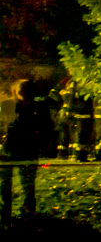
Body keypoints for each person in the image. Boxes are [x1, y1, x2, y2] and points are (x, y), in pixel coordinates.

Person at [2, 79, 54, 223]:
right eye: (22, 93)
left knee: (26, 184)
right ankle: (8, 214)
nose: (24, 97)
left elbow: (46, 127)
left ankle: (24, 214)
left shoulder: (38, 107)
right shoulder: (7, 106)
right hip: (11, 149)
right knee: (8, 184)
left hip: (25, 148)